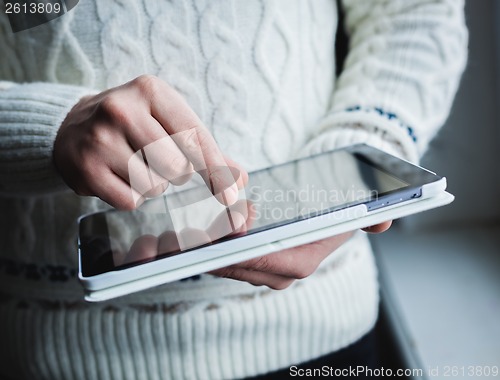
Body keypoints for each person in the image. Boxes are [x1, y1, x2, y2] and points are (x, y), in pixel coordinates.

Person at [0, 0, 467, 379]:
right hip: (61, 348)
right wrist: (48, 129)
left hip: (324, 333)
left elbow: (415, 13)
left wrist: (353, 164)